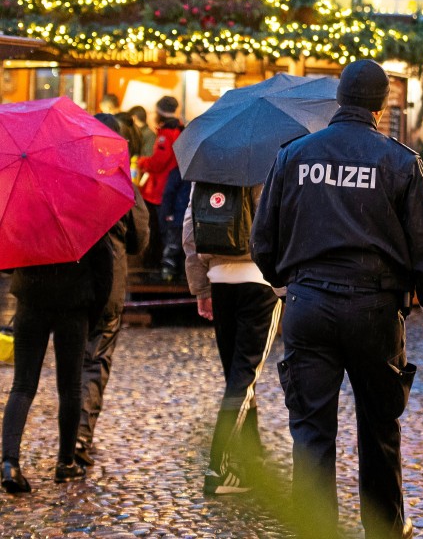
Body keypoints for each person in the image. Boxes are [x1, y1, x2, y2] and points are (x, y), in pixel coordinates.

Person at [251, 59, 423, 539]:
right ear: (382, 105)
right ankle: (385, 528)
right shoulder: (401, 161)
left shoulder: (294, 156)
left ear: (339, 98)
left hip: (309, 307)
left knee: (311, 431)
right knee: (380, 427)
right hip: (374, 310)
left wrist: (288, 289)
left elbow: (264, 239)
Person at [182, 183, 282, 496]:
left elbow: (190, 230)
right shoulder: (270, 162)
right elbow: (280, 222)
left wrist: (201, 287)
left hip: (220, 280)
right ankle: (218, 467)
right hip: (259, 279)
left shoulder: (208, 166)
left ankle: (251, 460)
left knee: (238, 377)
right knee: (243, 378)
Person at [2, 236, 113, 492]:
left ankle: (10, 463)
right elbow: (104, 270)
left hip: (30, 300)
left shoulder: (26, 211)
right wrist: (92, 315)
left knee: (22, 386)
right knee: (70, 387)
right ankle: (65, 463)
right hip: (73, 305)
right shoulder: (84, 214)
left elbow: (7, 263)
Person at [73, 115, 150, 468]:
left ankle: (67, 439)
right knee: (95, 362)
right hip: (109, 287)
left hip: (70, 286)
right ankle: (79, 437)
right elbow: (138, 241)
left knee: (70, 363)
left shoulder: (69, 177)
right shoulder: (121, 183)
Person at [137, 96, 182, 272]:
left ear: (160, 112)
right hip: (170, 187)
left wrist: (141, 162)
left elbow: (158, 163)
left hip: (159, 190)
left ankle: (155, 264)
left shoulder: (166, 134)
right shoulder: (179, 129)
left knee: (157, 230)